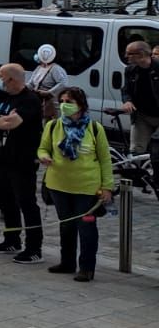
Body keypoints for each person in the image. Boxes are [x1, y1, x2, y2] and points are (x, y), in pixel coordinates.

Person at [39, 86, 113, 281]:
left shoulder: (95, 129)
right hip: (59, 185)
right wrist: (44, 156)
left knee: (86, 228)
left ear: (81, 105)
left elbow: (105, 160)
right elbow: (43, 148)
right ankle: (67, 261)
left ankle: (87, 267)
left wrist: (107, 187)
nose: (64, 105)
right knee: (66, 225)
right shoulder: (53, 126)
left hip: (87, 188)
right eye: (62, 101)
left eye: (69, 102)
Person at [0, 63, 45, 262]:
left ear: (12, 79)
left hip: (22, 160)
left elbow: (12, 123)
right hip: (1, 158)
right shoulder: (0, 96)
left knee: (26, 202)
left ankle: (34, 247)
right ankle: (11, 239)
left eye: (1, 77)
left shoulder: (30, 100)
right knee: (6, 201)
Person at [121, 39, 159, 158]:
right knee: (136, 151)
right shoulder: (130, 70)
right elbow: (125, 89)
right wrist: (127, 101)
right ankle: (138, 175)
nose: (126, 56)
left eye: (129, 53)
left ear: (141, 55)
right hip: (142, 116)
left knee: (156, 149)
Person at [26, 44, 69, 119]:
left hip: (49, 102)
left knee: (47, 121)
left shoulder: (55, 69)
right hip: (37, 100)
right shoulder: (39, 68)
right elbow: (31, 83)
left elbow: (63, 83)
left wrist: (49, 92)